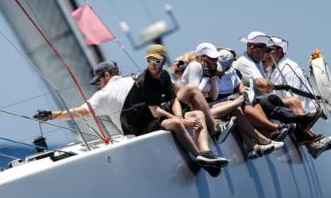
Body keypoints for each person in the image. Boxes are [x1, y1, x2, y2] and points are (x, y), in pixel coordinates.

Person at [33, 58, 229, 172]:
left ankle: (204, 155)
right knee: (195, 115)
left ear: (107, 75)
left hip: (139, 132)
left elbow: (80, 112)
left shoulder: (103, 94)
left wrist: (51, 115)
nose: (98, 85)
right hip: (152, 125)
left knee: (187, 117)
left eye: (98, 80)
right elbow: (172, 91)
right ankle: (203, 152)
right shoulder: (137, 80)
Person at [182, 43, 284, 159]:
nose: (215, 62)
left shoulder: (208, 70)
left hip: (206, 109)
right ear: (202, 58)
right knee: (235, 105)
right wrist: (206, 78)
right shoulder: (195, 66)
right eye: (212, 59)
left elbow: (214, 97)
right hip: (192, 112)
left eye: (216, 59)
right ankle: (262, 140)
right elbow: (195, 93)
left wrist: (212, 78)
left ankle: (254, 147)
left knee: (235, 109)